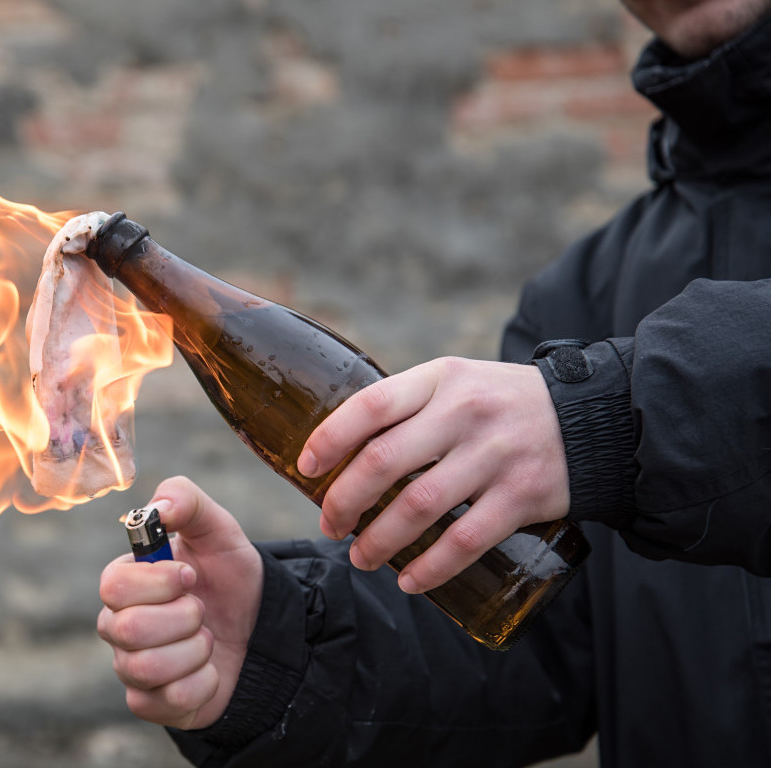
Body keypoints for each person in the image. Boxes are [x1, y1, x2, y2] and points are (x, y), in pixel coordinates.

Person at [97, 0, 771, 765]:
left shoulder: (587, 370)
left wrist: (615, 416)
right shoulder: (588, 289)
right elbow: (535, 631)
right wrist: (278, 648)